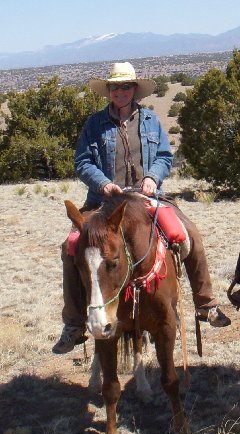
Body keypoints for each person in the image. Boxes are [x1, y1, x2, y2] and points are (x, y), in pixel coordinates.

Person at [52, 61, 231, 354]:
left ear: (134, 89)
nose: (119, 91)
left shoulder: (149, 120)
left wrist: (152, 177)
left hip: (147, 197)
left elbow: (163, 155)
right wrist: (103, 184)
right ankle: (73, 323)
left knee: (190, 234)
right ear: (108, 91)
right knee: (71, 245)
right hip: (104, 203)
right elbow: (82, 162)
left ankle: (206, 304)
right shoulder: (94, 124)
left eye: (125, 86)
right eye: (114, 87)